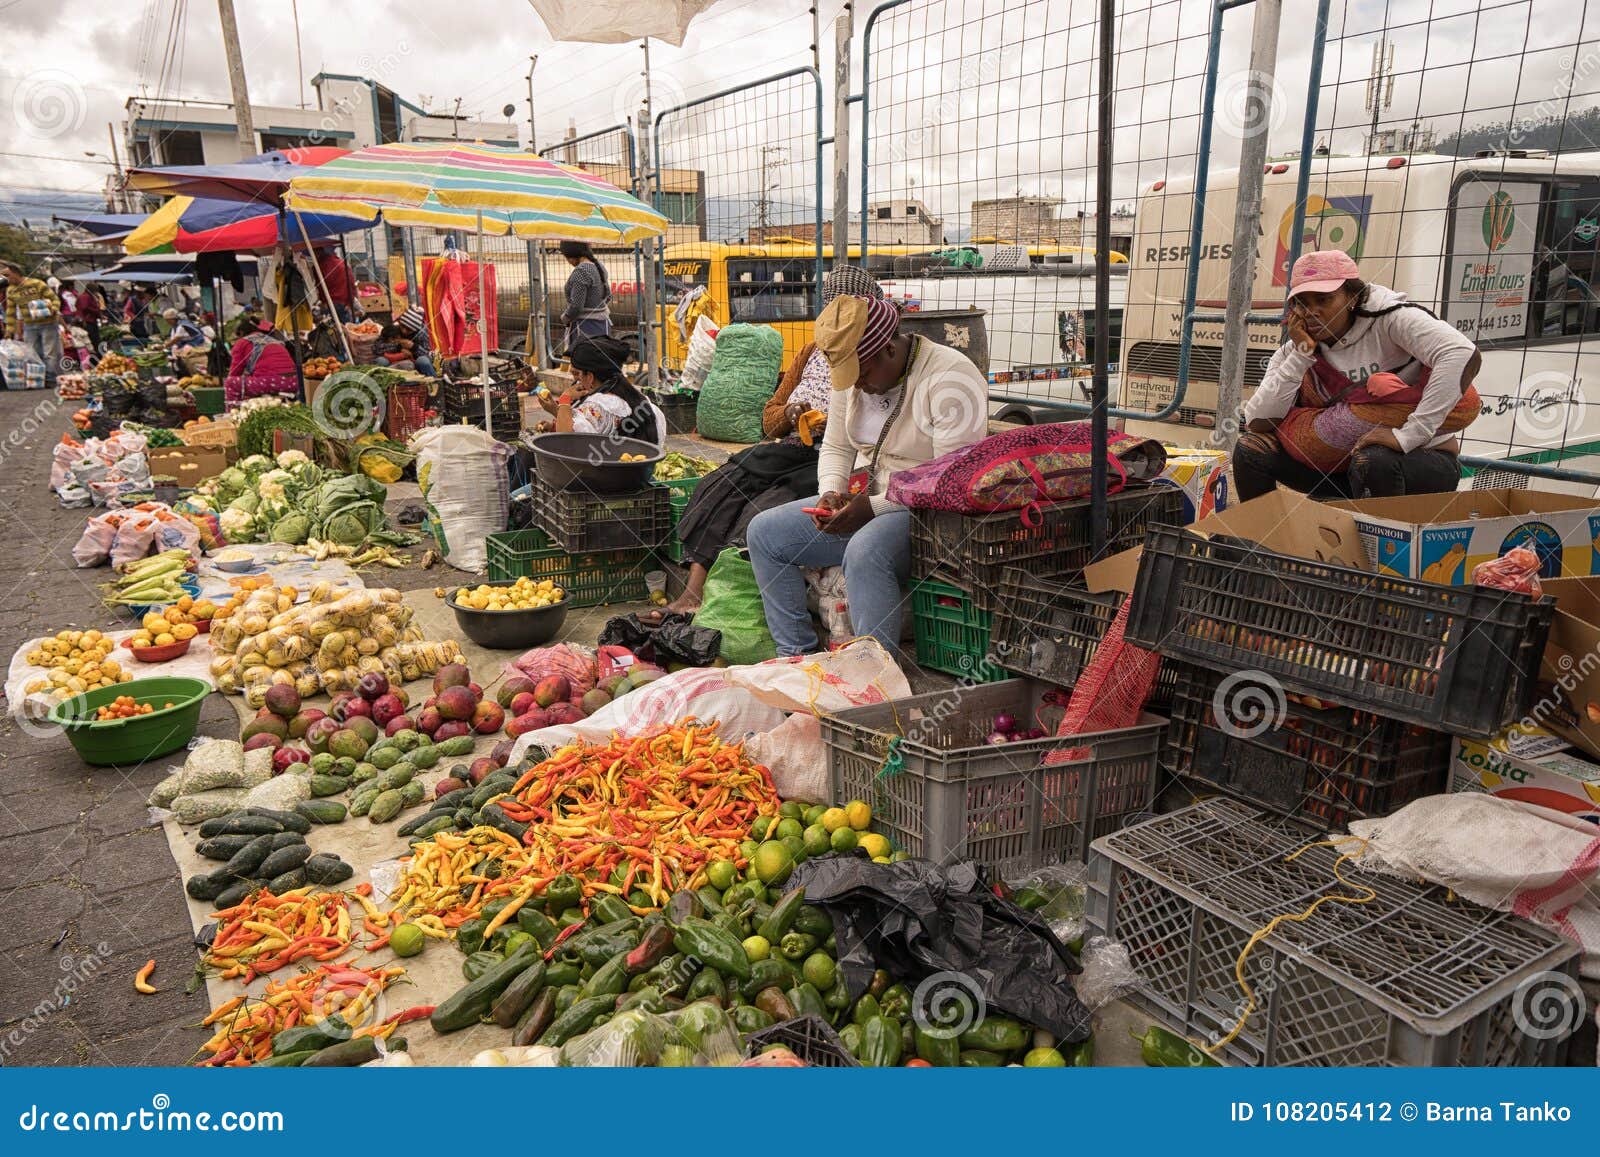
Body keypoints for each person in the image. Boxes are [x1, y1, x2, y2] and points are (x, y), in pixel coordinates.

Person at [746, 294, 988, 658]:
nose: (856, 386)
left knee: (865, 550)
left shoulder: (951, 378)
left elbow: (947, 483)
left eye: (862, 375)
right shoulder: (853, 377)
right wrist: (830, 492)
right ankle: (796, 657)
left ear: (889, 349)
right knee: (764, 533)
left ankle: (874, 675)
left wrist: (872, 508)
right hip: (875, 501)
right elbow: (837, 447)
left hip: (932, 515)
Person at [653, 266, 886, 619]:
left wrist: (831, 428)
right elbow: (770, 417)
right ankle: (693, 594)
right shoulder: (811, 351)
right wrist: (793, 415)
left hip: (833, 460)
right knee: (722, 484)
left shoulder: (870, 359)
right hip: (792, 448)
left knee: (763, 506)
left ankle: (730, 604)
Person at [1233, 250, 1481, 502]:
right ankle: (1258, 539)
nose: (1311, 312)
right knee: (1250, 449)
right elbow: (1258, 420)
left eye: (1323, 299)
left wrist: (1409, 435)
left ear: (1352, 297)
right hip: (1341, 469)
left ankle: (1386, 541)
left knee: (1374, 459)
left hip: (1416, 462)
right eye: (1302, 303)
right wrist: (1301, 354)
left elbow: (1460, 353)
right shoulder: (1295, 350)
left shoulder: (1391, 319)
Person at [535, 334, 663, 448]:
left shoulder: (595, 406)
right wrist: (555, 416)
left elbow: (566, 442)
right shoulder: (643, 402)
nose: (576, 380)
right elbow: (588, 430)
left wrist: (565, 398)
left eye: (577, 374)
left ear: (590, 377)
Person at [1, 261, 63, 387]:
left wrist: (53, 308)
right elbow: (11, 313)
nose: (5, 278)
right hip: (29, 325)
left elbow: (54, 299)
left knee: (49, 352)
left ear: (15, 273)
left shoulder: (37, 283)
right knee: (33, 353)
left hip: (48, 323)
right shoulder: (10, 291)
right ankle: (38, 379)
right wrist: (9, 331)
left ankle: (50, 379)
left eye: (7, 275)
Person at [225, 316, 299, 404]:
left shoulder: (242, 343)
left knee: (230, 383)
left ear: (241, 333)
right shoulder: (273, 340)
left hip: (272, 382)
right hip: (295, 382)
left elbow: (234, 373)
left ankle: (231, 414)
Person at [558, 240, 611, 351]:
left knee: (581, 364)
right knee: (597, 362)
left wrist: (565, 318)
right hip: (602, 325)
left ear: (573, 254)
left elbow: (576, 306)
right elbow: (608, 296)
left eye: (567, 257)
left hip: (584, 328)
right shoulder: (599, 266)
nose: (568, 261)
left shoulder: (581, 271)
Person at [315, 246, 355, 322]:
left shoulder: (319, 266)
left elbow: (320, 287)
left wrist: (323, 301)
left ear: (318, 253)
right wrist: (350, 302)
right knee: (346, 329)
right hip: (343, 303)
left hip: (329, 303)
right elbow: (351, 284)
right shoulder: (343, 264)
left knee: (330, 330)